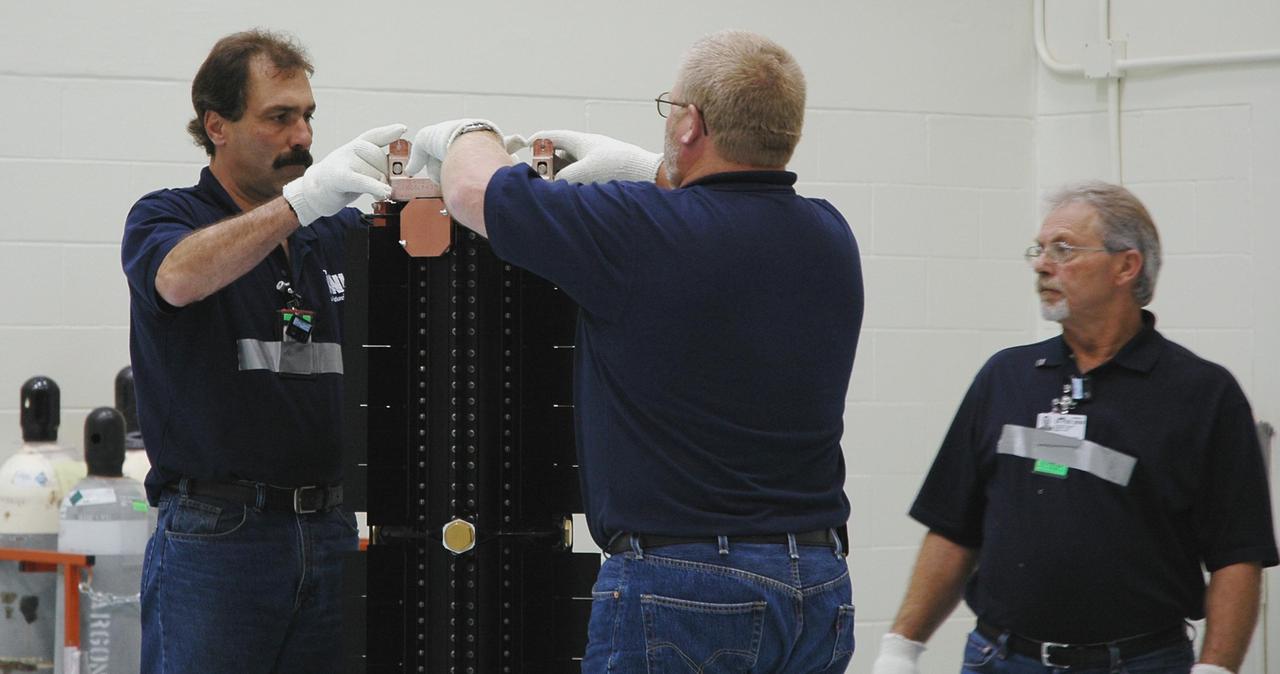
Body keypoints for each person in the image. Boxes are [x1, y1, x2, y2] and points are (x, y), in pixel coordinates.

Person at [405, 29, 864, 673]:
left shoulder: (636, 230)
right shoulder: (830, 237)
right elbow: (718, 225)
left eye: (669, 107)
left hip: (685, 590)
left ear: (689, 125)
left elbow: (471, 192)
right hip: (817, 587)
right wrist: (644, 168)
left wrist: (466, 132)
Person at [871, 181, 1278, 674]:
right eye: (1039, 250)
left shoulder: (1203, 395)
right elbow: (955, 526)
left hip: (1138, 663)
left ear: (1126, 266)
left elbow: (1237, 557)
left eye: (1063, 249)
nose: (1043, 264)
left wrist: (1216, 669)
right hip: (999, 658)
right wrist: (901, 647)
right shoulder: (1006, 378)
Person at [121, 29, 403, 673]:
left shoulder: (334, 235)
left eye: (306, 117)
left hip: (328, 530)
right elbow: (179, 277)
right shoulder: (168, 217)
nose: (302, 136)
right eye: (279, 118)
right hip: (218, 538)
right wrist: (299, 205)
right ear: (216, 125)